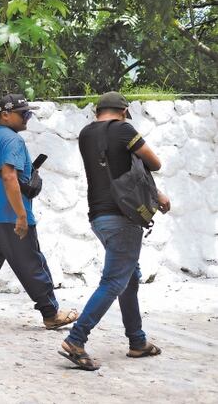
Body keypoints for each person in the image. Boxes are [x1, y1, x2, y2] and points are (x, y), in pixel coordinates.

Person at [59, 91, 170, 371]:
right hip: (123, 216)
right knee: (113, 281)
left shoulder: (86, 134)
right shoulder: (124, 130)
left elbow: (119, 170)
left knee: (128, 277)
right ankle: (76, 338)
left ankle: (137, 341)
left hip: (98, 216)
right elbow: (154, 163)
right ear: (122, 111)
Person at [0, 93, 77, 330]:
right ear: (5, 114)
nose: (28, 118)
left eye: (28, 113)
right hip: (10, 215)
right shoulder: (12, 140)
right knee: (32, 263)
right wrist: (21, 215)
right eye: (24, 114)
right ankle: (51, 314)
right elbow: (10, 176)